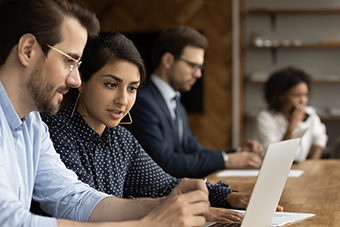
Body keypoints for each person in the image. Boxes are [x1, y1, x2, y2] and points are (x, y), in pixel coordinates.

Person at [0, 0, 210, 226]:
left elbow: (73, 198)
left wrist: (164, 205)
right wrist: (147, 224)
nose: (75, 79)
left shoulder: (33, 124)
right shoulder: (53, 127)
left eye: (132, 88)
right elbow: (12, 221)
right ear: (27, 50)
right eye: (68, 61)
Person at [35, 30, 253, 222]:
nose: (123, 99)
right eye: (111, 85)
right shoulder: (55, 130)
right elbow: (85, 208)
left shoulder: (121, 139)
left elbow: (165, 185)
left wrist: (227, 196)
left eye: (132, 88)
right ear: (81, 80)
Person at [123, 25, 264, 178]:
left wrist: (238, 153)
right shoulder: (142, 102)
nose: (198, 74)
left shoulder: (177, 104)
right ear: (168, 60)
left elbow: (194, 151)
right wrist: (227, 160)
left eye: (200, 67)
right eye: (193, 66)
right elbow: (165, 163)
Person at [252, 67, 328, 161]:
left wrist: (313, 162)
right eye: (296, 95)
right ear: (281, 96)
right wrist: (292, 127)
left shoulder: (310, 113)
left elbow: (320, 139)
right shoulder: (265, 118)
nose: (303, 101)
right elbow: (275, 157)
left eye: (305, 95)